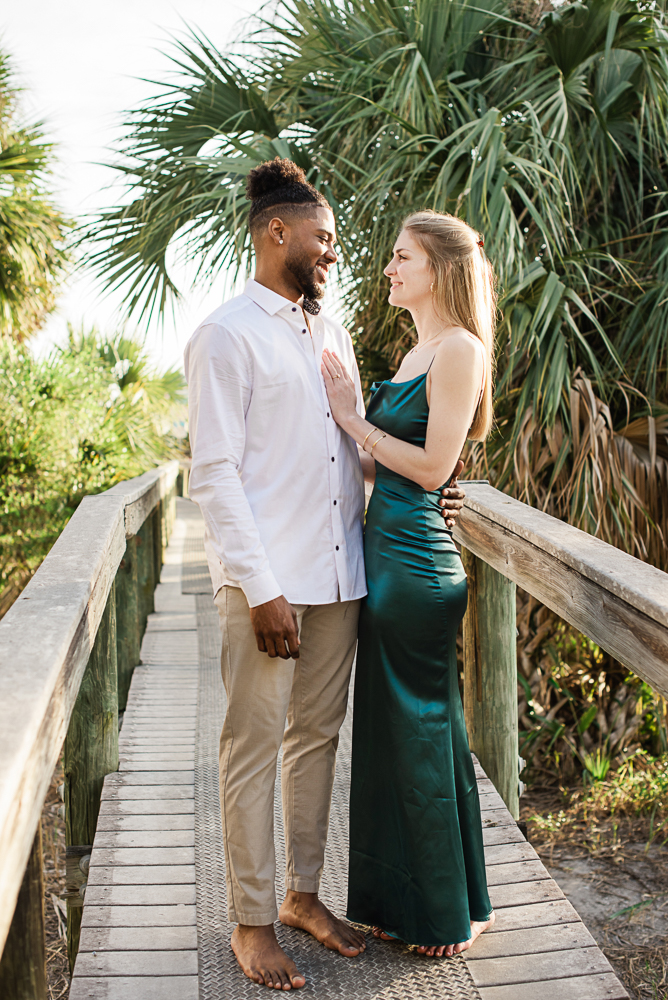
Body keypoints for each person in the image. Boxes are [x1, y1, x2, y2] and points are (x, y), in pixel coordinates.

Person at [185, 160, 466, 990]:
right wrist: (261, 586)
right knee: (252, 749)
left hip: (343, 581)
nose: (336, 254)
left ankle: (304, 896)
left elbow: (347, 454)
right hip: (268, 588)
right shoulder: (225, 334)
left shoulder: (331, 333)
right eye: (325, 238)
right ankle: (249, 920)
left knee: (316, 744)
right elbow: (215, 472)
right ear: (279, 233)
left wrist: (422, 494)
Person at [321, 210, 496, 958]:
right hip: (385, 555)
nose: (389, 269)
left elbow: (430, 469)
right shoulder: (416, 348)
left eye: (402, 258)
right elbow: (382, 463)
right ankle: (407, 900)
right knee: (399, 734)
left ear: (440, 270)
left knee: (422, 732)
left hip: (419, 565)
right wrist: (336, 434)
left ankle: (440, 916)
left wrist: (351, 420)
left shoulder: (457, 349)